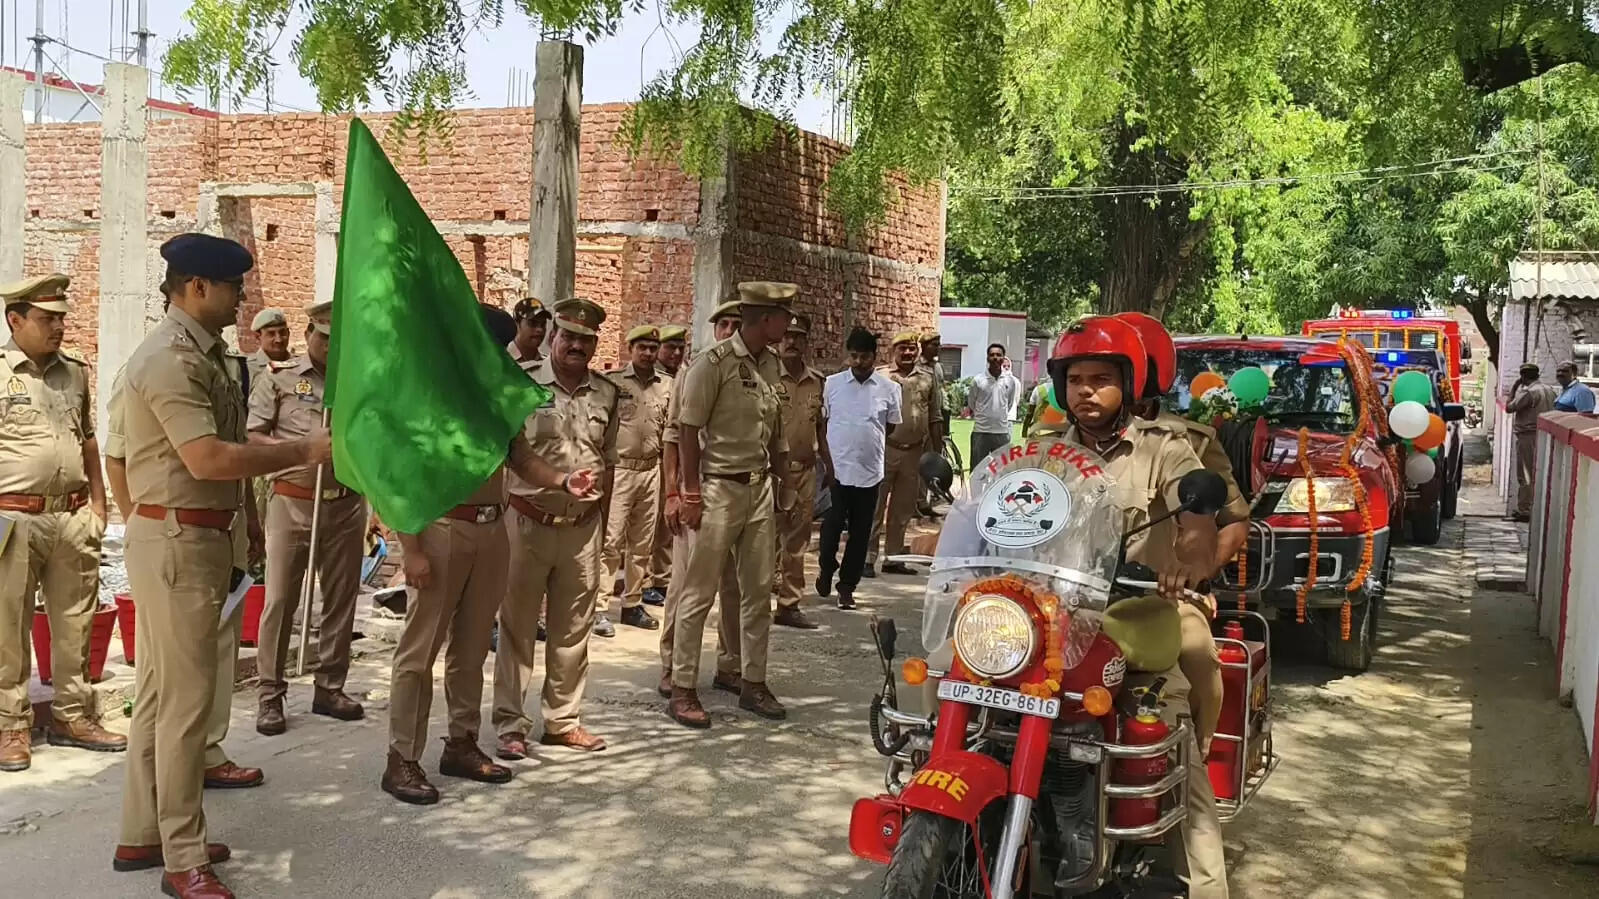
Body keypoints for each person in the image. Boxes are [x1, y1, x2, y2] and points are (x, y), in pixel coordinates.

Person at [116, 233, 333, 899]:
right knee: (184, 706)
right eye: (234, 287)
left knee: (162, 697)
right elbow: (207, 458)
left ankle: (145, 831)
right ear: (199, 287)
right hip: (177, 539)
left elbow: (226, 449)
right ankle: (182, 857)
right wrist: (303, 452)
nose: (242, 298)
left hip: (198, 536)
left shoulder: (210, 355)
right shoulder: (169, 359)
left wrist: (245, 524)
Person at [383, 303, 599, 806]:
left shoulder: (495, 396)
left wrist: (563, 481)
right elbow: (398, 476)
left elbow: (520, 457)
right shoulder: (429, 395)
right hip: (441, 529)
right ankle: (401, 758)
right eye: (487, 346)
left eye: (498, 348)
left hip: (491, 529)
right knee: (419, 653)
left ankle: (461, 742)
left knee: (472, 646)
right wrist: (410, 548)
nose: (495, 355)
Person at [1049, 315, 1226, 899]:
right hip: (1054, 617)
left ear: (1128, 385)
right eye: (1075, 380)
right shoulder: (1045, 452)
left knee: (1168, 736)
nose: (1086, 391)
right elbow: (1001, 508)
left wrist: (1189, 558)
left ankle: (1207, 887)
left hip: (1134, 616)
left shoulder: (1164, 448)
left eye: (1101, 379)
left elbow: (1197, 515)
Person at [0, 273, 120, 773]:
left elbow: (88, 439)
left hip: (72, 517)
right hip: (13, 518)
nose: (58, 327)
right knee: (7, 627)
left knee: (76, 622)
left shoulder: (75, 372)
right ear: (15, 320)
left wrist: (99, 507)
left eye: (62, 318)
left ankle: (73, 715)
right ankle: (11, 726)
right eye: (47, 319)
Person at [1117, 310, 1249, 756]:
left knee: (1197, 653)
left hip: (1158, 596)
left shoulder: (1189, 441)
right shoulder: (1061, 439)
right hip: (1075, 594)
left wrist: (1195, 572)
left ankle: (1195, 751)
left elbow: (1234, 520)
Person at [492, 298, 619, 759]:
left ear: (594, 345)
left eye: (585, 339)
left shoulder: (607, 393)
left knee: (573, 630)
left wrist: (602, 526)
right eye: (568, 336)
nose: (576, 345)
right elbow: (508, 455)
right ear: (552, 337)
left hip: (582, 528)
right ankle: (510, 724)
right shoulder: (522, 382)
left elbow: (609, 462)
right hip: (528, 522)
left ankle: (563, 721)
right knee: (518, 628)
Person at [667, 282, 793, 729]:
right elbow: (687, 430)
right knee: (699, 592)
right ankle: (682, 686)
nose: (789, 322)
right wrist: (689, 494)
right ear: (765, 318)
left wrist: (785, 487)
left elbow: (775, 430)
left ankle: (751, 681)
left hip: (759, 489)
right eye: (784, 315)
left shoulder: (772, 364)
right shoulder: (712, 364)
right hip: (718, 490)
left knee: (758, 592)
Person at [248, 299, 368, 736]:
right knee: (281, 600)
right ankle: (270, 694)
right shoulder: (280, 380)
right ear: (308, 335)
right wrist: (299, 451)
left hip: (346, 503)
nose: (331, 347)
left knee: (341, 598)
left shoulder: (355, 383)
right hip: (293, 502)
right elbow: (254, 436)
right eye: (325, 338)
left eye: (339, 341)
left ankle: (330, 686)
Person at [657, 304, 746, 701]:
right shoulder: (695, 370)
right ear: (714, 329)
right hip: (698, 492)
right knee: (687, 584)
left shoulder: (754, 371)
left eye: (737, 324)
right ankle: (671, 664)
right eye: (723, 324)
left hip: (737, 493)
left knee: (734, 585)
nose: (730, 331)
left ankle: (730, 665)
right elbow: (673, 437)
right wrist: (673, 494)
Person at [817, 328, 902, 610]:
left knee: (860, 533)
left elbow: (890, 427)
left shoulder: (889, 389)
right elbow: (822, 423)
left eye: (864, 357)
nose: (858, 362)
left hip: (869, 472)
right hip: (837, 470)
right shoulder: (832, 384)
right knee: (831, 527)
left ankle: (847, 587)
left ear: (874, 357)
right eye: (853, 356)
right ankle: (826, 566)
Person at [594, 325, 669, 636]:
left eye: (653, 348)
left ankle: (632, 603)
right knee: (610, 542)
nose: (648, 353)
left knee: (642, 543)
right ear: (631, 349)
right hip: (621, 469)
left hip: (651, 469)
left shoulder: (667, 385)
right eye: (642, 348)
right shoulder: (613, 383)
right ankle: (599, 607)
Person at [866, 331, 941, 577]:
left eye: (911, 349)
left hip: (914, 452)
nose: (908, 353)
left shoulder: (927, 378)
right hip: (885, 449)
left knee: (903, 508)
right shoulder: (880, 377)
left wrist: (937, 452)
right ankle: (867, 558)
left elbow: (935, 416)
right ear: (893, 351)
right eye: (902, 349)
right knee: (875, 506)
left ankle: (893, 557)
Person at [772, 313, 829, 629]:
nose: (792, 342)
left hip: (805, 472)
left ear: (807, 342)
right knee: (763, 542)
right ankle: (754, 606)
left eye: (798, 337)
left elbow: (821, 428)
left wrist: (829, 467)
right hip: (771, 473)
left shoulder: (817, 382)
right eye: (787, 336)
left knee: (797, 543)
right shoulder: (767, 376)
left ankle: (789, 605)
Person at [643, 323, 689, 607]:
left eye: (680, 348)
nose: (676, 353)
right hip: (654, 459)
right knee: (648, 525)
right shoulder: (652, 379)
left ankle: (662, 578)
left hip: (680, 460)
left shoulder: (686, 376)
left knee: (669, 525)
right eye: (670, 347)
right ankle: (646, 581)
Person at [1506, 363, 1558, 521]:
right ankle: (1536, 508)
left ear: (1523, 376)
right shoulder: (1549, 390)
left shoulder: (1529, 392)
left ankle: (1525, 510)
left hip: (1528, 435)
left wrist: (1514, 388)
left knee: (1526, 473)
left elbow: (1509, 407)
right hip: (1546, 435)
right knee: (1542, 472)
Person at [967, 342, 1022, 468]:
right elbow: (972, 403)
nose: (995, 358)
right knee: (977, 470)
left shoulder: (1010, 381)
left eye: (998, 355)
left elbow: (1009, 404)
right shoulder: (978, 380)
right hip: (981, 432)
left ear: (1003, 358)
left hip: (1001, 432)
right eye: (992, 355)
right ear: (987, 358)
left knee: (1003, 470)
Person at [917, 331, 949, 517]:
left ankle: (925, 501)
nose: (937, 348)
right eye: (933, 345)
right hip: (920, 419)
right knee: (916, 463)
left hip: (935, 418)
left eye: (938, 344)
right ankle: (916, 502)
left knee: (932, 459)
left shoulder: (937, 368)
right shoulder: (917, 366)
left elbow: (939, 395)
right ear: (924, 346)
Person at [245, 308, 292, 385]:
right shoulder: (247, 368)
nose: (278, 340)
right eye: (271, 334)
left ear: (288, 333)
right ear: (258, 337)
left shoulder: (299, 364)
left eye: (282, 333)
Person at [510, 296, 550, 364]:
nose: (540, 329)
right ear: (517, 324)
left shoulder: (547, 364)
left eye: (543, 324)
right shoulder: (501, 361)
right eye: (532, 323)